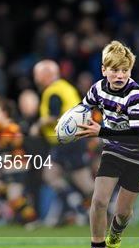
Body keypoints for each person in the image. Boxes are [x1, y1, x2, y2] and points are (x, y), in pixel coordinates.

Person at [75, 41, 139, 248]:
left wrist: (100, 131)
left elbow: (138, 135)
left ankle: (116, 232)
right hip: (114, 149)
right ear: (104, 70)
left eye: (124, 70)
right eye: (114, 70)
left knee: (122, 212)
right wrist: (68, 123)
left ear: (130, 71)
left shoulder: (136, 97)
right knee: (100, 200)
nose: (120, 75)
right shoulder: (97, 89)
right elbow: (82, 109)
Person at [33, 60, 94, 226]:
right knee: (55, 175)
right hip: (73, 139)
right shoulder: (66, 87)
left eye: (37, 74)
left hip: (67, 141)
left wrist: (38, 125)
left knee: (80, 180)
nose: (35, 78)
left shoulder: (53, 91)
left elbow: (54, 116)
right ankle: (75, 206)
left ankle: (97, 208)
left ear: (46, 74)